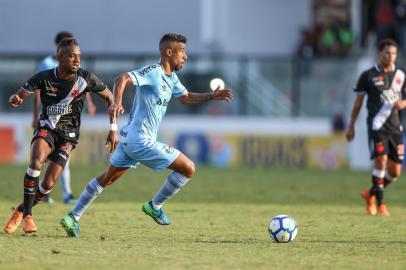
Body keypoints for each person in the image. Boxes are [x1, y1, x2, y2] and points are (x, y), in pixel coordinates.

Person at [59, 33, 233, 237]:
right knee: (188, 169)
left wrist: (211, 96)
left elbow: (186, 98)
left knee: (107, 178)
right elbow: (121, 78)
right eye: (182, 52)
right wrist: (117, 102)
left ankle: (73, 216)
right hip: (141, 141)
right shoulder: (153, 72)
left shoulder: (172, 78)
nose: (185, 56)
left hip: (129, 139)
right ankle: (155, 206)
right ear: (169, 52)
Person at [3, 38, 117, 234]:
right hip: (46, 129)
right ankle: (28, 216)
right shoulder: (44, 77)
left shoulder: (86, 78)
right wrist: (16, 99)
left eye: (79, 56)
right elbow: (22, 93)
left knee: (47, 184)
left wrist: (113, 127)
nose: (76, 60)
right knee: (36, 162)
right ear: (59, 57)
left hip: (68, 137)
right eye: (72, 56)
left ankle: (20, 210)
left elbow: (109, 96)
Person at [34, 31, 97, 205]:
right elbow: (38, 90)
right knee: (42, 159)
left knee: (62, 159)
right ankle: (43, 192)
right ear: (58, 49)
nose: (74, 56)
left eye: (76, 53)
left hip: (68, 122)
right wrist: (35, 114)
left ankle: (65, 193)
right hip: (49, 120)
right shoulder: (47, 65)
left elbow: (84, 85)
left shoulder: (76, 69)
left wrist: (90, 103)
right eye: (68, 50)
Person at [346, 38, 406, 217]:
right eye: (387, 52)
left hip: (396, 128)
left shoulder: (401, 76)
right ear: (380, 54)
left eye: (394, 53)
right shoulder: (368, 76)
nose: (391, 56)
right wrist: (351, 126)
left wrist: (402, 104)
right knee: (381, 161)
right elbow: (358, 104)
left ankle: (371, 193)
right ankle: (380, 204)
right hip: (377, 126)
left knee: (395, 172)